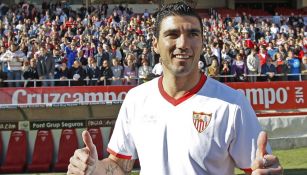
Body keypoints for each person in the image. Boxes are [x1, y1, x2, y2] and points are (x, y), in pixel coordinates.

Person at [67, 2, 282, 175]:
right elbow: (119, 166)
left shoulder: (233, 104)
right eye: (172, 34)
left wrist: (268, 170)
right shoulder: (136, 99)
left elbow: (258, 168)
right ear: (155, 44)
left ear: (202, 42)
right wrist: (95, 169)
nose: (183, 43)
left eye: (193, 34)